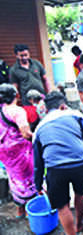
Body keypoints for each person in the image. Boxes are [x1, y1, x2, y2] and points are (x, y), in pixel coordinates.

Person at [33, 91, 83, 235]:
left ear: (47, 109)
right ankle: (79, 225)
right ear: (63, 105)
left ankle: (71, 233)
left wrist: (38, 184)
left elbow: (37, 162)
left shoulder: (39, 127)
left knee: (62, 207)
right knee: (81, 194)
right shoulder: (76, 114)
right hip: (80, 163)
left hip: (55, 168)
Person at [0, 84, 36, 219]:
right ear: (16, 95)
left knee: (14, 179)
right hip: (20, 152)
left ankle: (20, 210)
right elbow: (26, 133)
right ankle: (30, 210)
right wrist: (38, 136)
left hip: (4, 152)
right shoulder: (17, 111)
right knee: (27, 179)